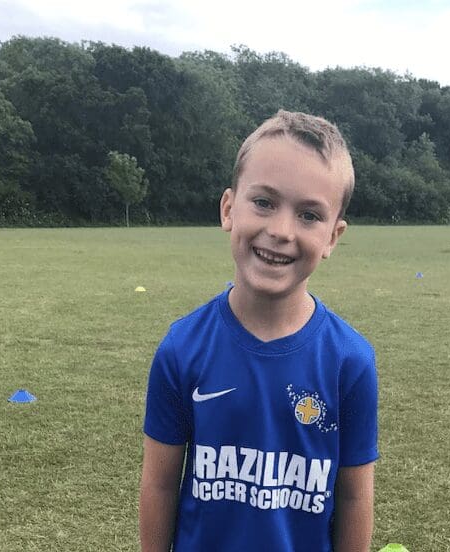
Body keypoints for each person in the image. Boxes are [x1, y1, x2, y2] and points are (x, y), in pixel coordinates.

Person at [139, 110, 378, 552]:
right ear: (229, 209)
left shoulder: (350, 361)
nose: (281, 231)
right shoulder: (182, 348)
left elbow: (354, 496)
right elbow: (159, 484)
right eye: (264, 202)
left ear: (333, 236)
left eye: (309, 215)